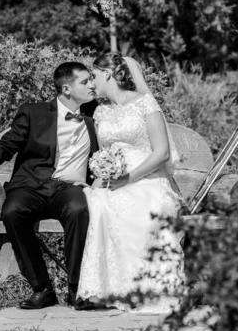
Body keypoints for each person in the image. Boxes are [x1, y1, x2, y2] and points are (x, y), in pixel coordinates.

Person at [0, 62, 98, 310]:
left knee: (80, 208)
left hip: (68, 189)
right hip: (30, 187)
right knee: (12, 212)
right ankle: (42, 288)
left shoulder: (95, 119)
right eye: (85, 81)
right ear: (67, 88)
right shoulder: (34, 112)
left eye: (92, 80)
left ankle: (77, 290)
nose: (92, 84)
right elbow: (7, 145)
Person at [77, 54, 186, 313]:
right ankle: (110, 290)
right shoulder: (101, 111)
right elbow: (104, 154)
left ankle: (152, 291)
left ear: (108, 74)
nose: (92, 81)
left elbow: (161, 153)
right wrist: (101, 178)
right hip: (114, 181)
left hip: (149, 179)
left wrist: (129, 178)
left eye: (94, 75)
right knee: (99, 205)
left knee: (150, 211)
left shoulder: (145, 104)